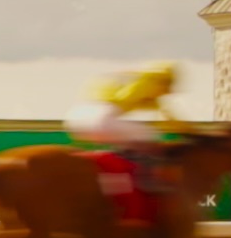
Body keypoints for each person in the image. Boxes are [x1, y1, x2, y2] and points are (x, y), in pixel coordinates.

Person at [63, 63, 183, 227]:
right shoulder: (147, 82)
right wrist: (191, 133)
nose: (166, 91)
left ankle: (117, 177)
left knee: (131, 142)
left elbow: (167, 116)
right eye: (167, 86)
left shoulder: (133, 79)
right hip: (101, 117)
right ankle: (147, 182)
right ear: (162, 80)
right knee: (150, 135)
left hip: (76, 116)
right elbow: (167, 119)